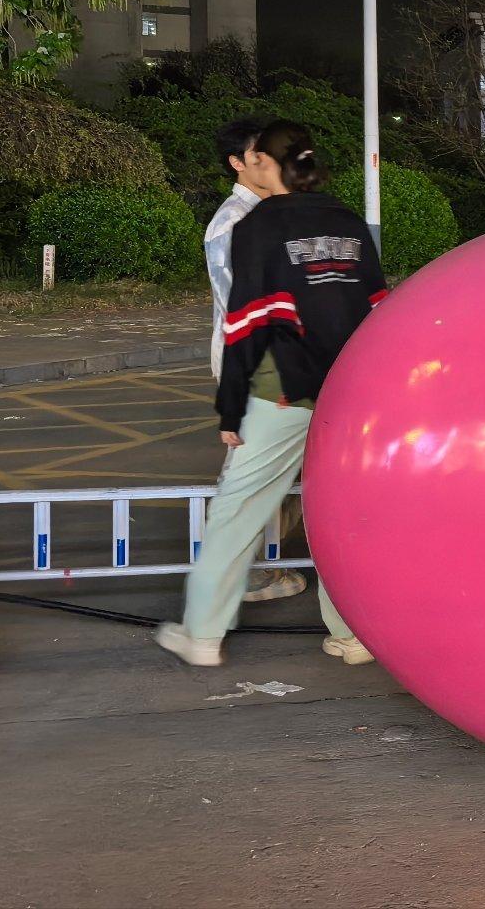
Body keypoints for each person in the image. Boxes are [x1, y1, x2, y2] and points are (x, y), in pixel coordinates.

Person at [158, 120, 387, 668]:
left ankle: (203, 635)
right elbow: (377, 306)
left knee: (237, 512)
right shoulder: (348, 220)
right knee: (338, 512)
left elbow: (246, 323)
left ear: (267, 164)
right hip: (349, 387)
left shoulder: (259, 225)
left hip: (281, 392)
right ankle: (355, 635)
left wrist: (230, 408)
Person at [205, 117, 310, 607]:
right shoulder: (234, 224)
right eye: (259, 155)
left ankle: (258, 564)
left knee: (286, 467)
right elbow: (247, 309)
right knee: (251, 472)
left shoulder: (274, 215)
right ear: (237, 163)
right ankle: (238, 577)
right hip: (258, 363)